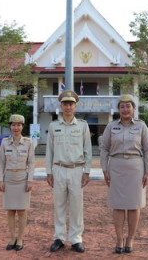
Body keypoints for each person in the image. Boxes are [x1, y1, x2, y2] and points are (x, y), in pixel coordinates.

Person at [99, 94, 148, 254]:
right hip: (116, 167)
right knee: (118, 205)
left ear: (134, 109)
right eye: (122, 106)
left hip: (136, 168)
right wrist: (104, 169)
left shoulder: (142, 126)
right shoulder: (111, 127)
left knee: (134, 205)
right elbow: (104, 149)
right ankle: (119, 238)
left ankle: (130, 238)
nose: (125, 109)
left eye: (128, 106)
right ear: (118, 110)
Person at [46, 90, 92, 253]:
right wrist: (48, 172)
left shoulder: (82, 126)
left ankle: (76, 239)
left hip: (76, 170)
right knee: (58, 206)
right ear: (61, 106)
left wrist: (86, 171)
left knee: (76, 206)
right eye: (65, 104)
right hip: (58, 169)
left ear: (75, 106)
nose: (68, 107)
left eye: (71, 104)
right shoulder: (53, 126)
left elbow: (87, 149)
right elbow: (49, 151)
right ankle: (59, 237)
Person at [0, 114, 35, 251]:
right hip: (9, 179)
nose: (16, 127)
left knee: (22, 210)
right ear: (10, 126)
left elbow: (31, 163)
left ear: (22, 127)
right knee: (10, 210)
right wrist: (0, 180)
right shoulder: (5, 143)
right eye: (13, 125)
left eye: (19, 125)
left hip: (22, 178)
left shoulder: (28, 143)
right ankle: (12, 237)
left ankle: (20, 238)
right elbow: (1, 162)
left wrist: (30, 180)